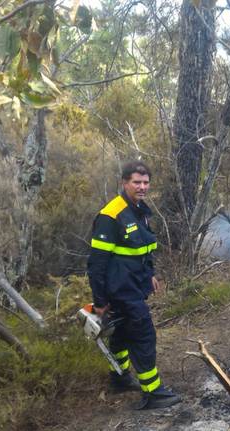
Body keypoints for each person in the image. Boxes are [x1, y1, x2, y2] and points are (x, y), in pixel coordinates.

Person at [87, 161, 181, 410]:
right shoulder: (111, 215)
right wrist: (99, 302)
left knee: (121, 334)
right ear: (124, 182)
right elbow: (96, 264)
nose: (142, 187)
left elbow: (142, 249)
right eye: (136, 182)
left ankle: (119, 379)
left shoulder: (139, 210)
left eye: (146, 182)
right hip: (120, 290)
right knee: (143, 335)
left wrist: (149, 274)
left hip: (134, 284)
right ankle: (153, 393)